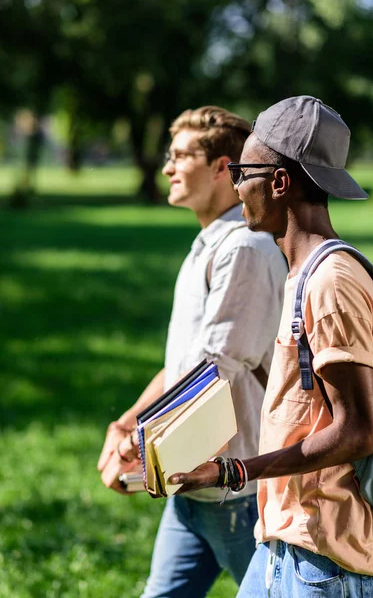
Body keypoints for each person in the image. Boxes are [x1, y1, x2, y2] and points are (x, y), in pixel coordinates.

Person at [168, 96, 373, 597]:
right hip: (284, 546)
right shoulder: (302, 272)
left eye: (241, 172)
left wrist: (236, 470)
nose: (235, 185)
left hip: (331, 562)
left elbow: (357, 431)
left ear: (278, 182)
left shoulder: (331, 280)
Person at [97, 105, 287, 597]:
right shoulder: (210, 243)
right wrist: (129, 425)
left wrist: (141, 443)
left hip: (238, 491)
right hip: (193, 487)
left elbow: (214, 371)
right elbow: (181, 364)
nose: (166, 168)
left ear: (223, 168)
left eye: (180, 156)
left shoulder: (245, 248)